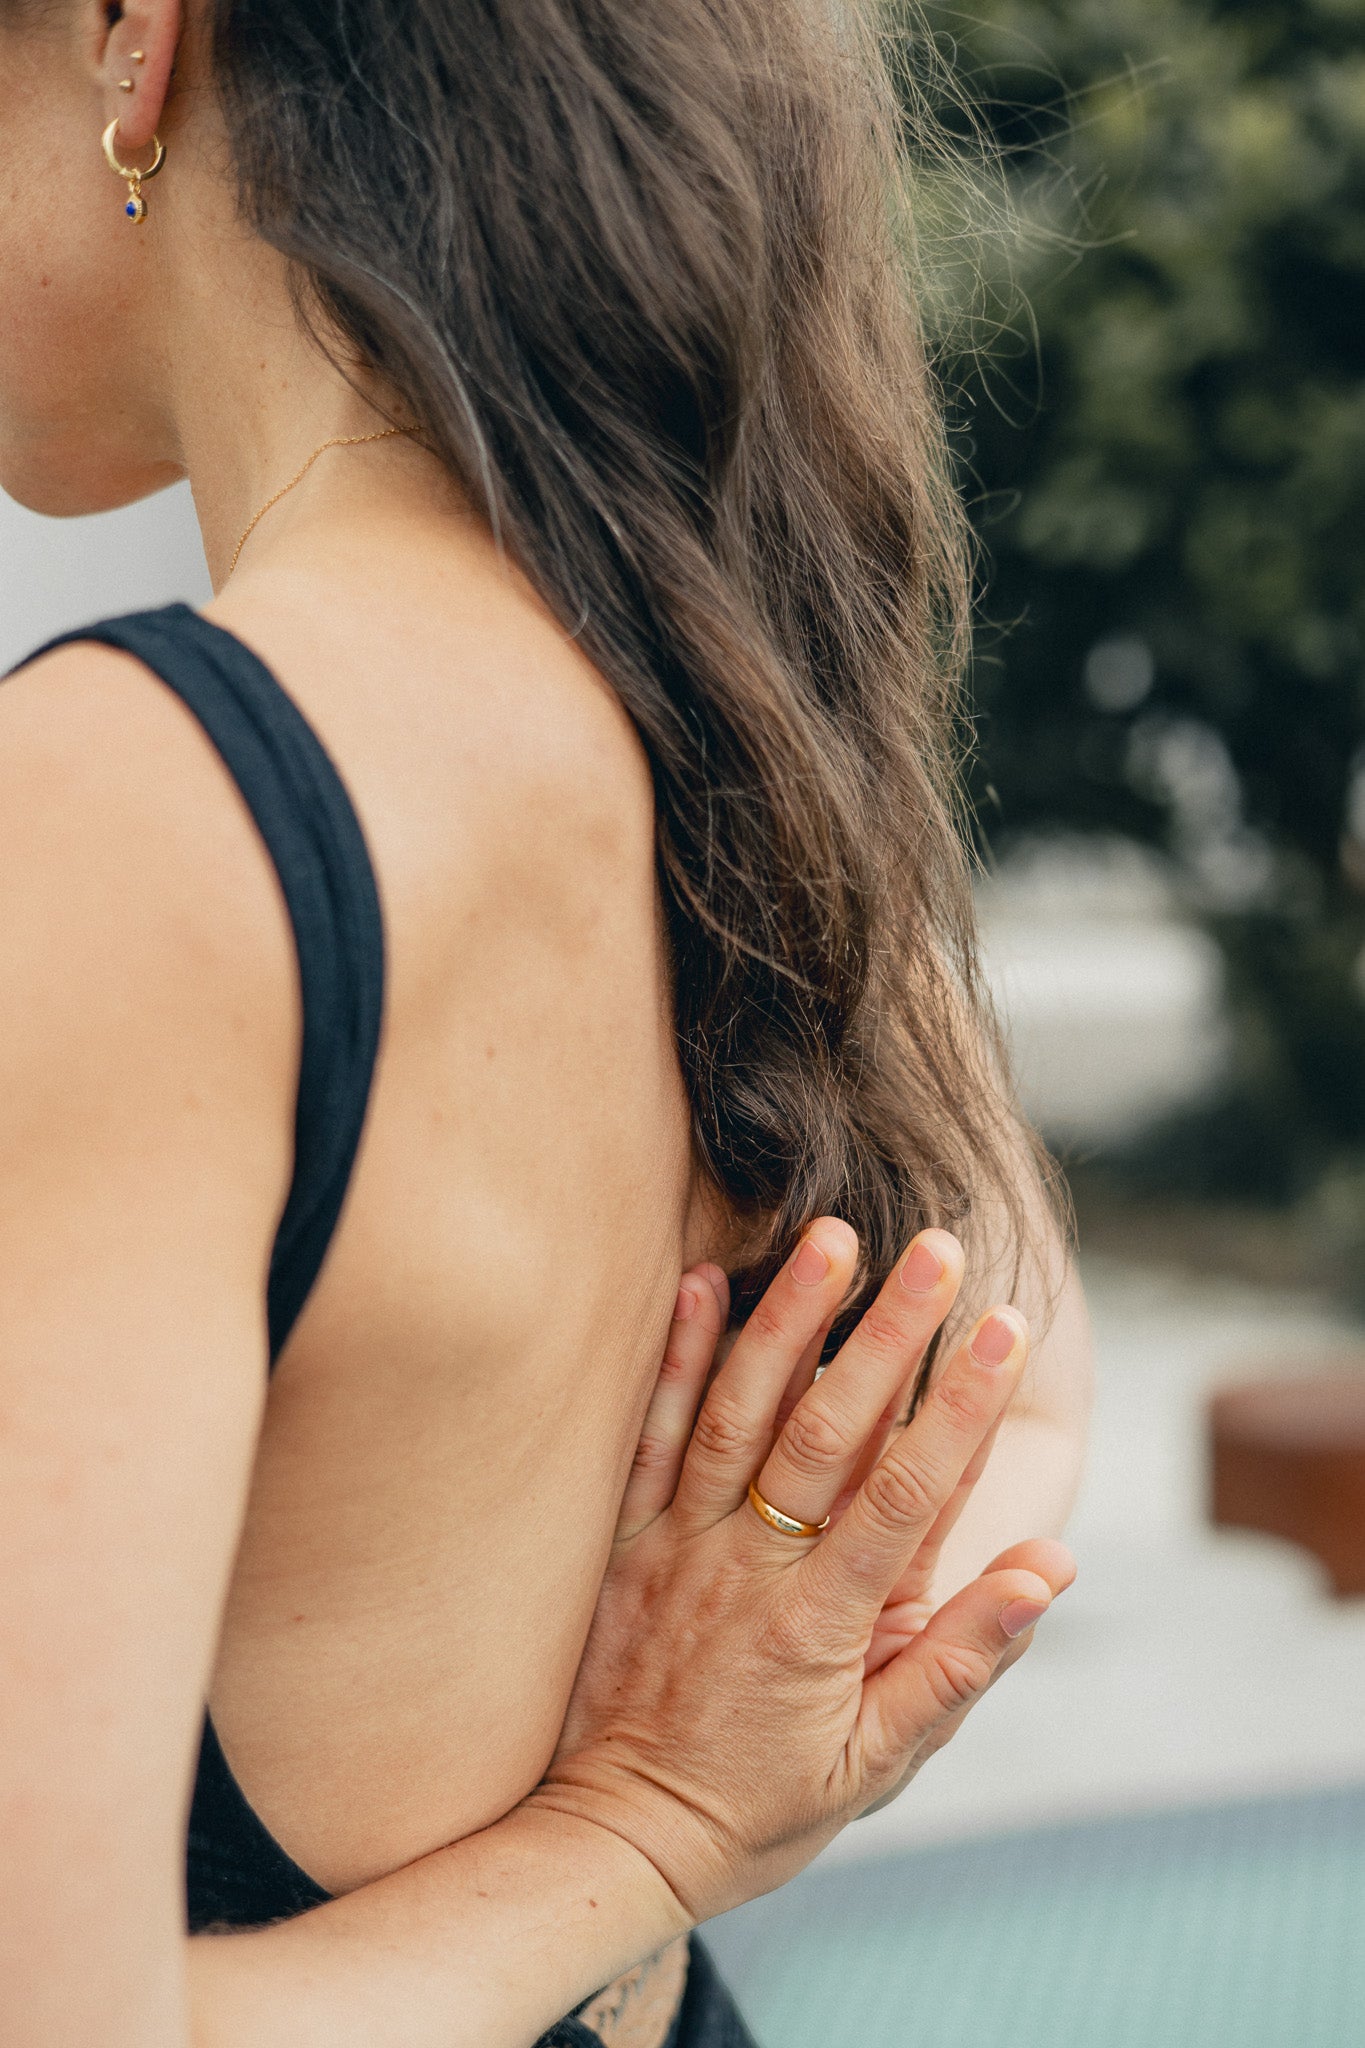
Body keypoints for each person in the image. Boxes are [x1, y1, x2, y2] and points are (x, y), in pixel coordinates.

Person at [0, 0, 1092, 2043]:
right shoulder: (736, 721)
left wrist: (645, 1832)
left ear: (131, 34)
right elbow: (1021, 1392)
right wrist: (644, 1838)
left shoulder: (130, 816)